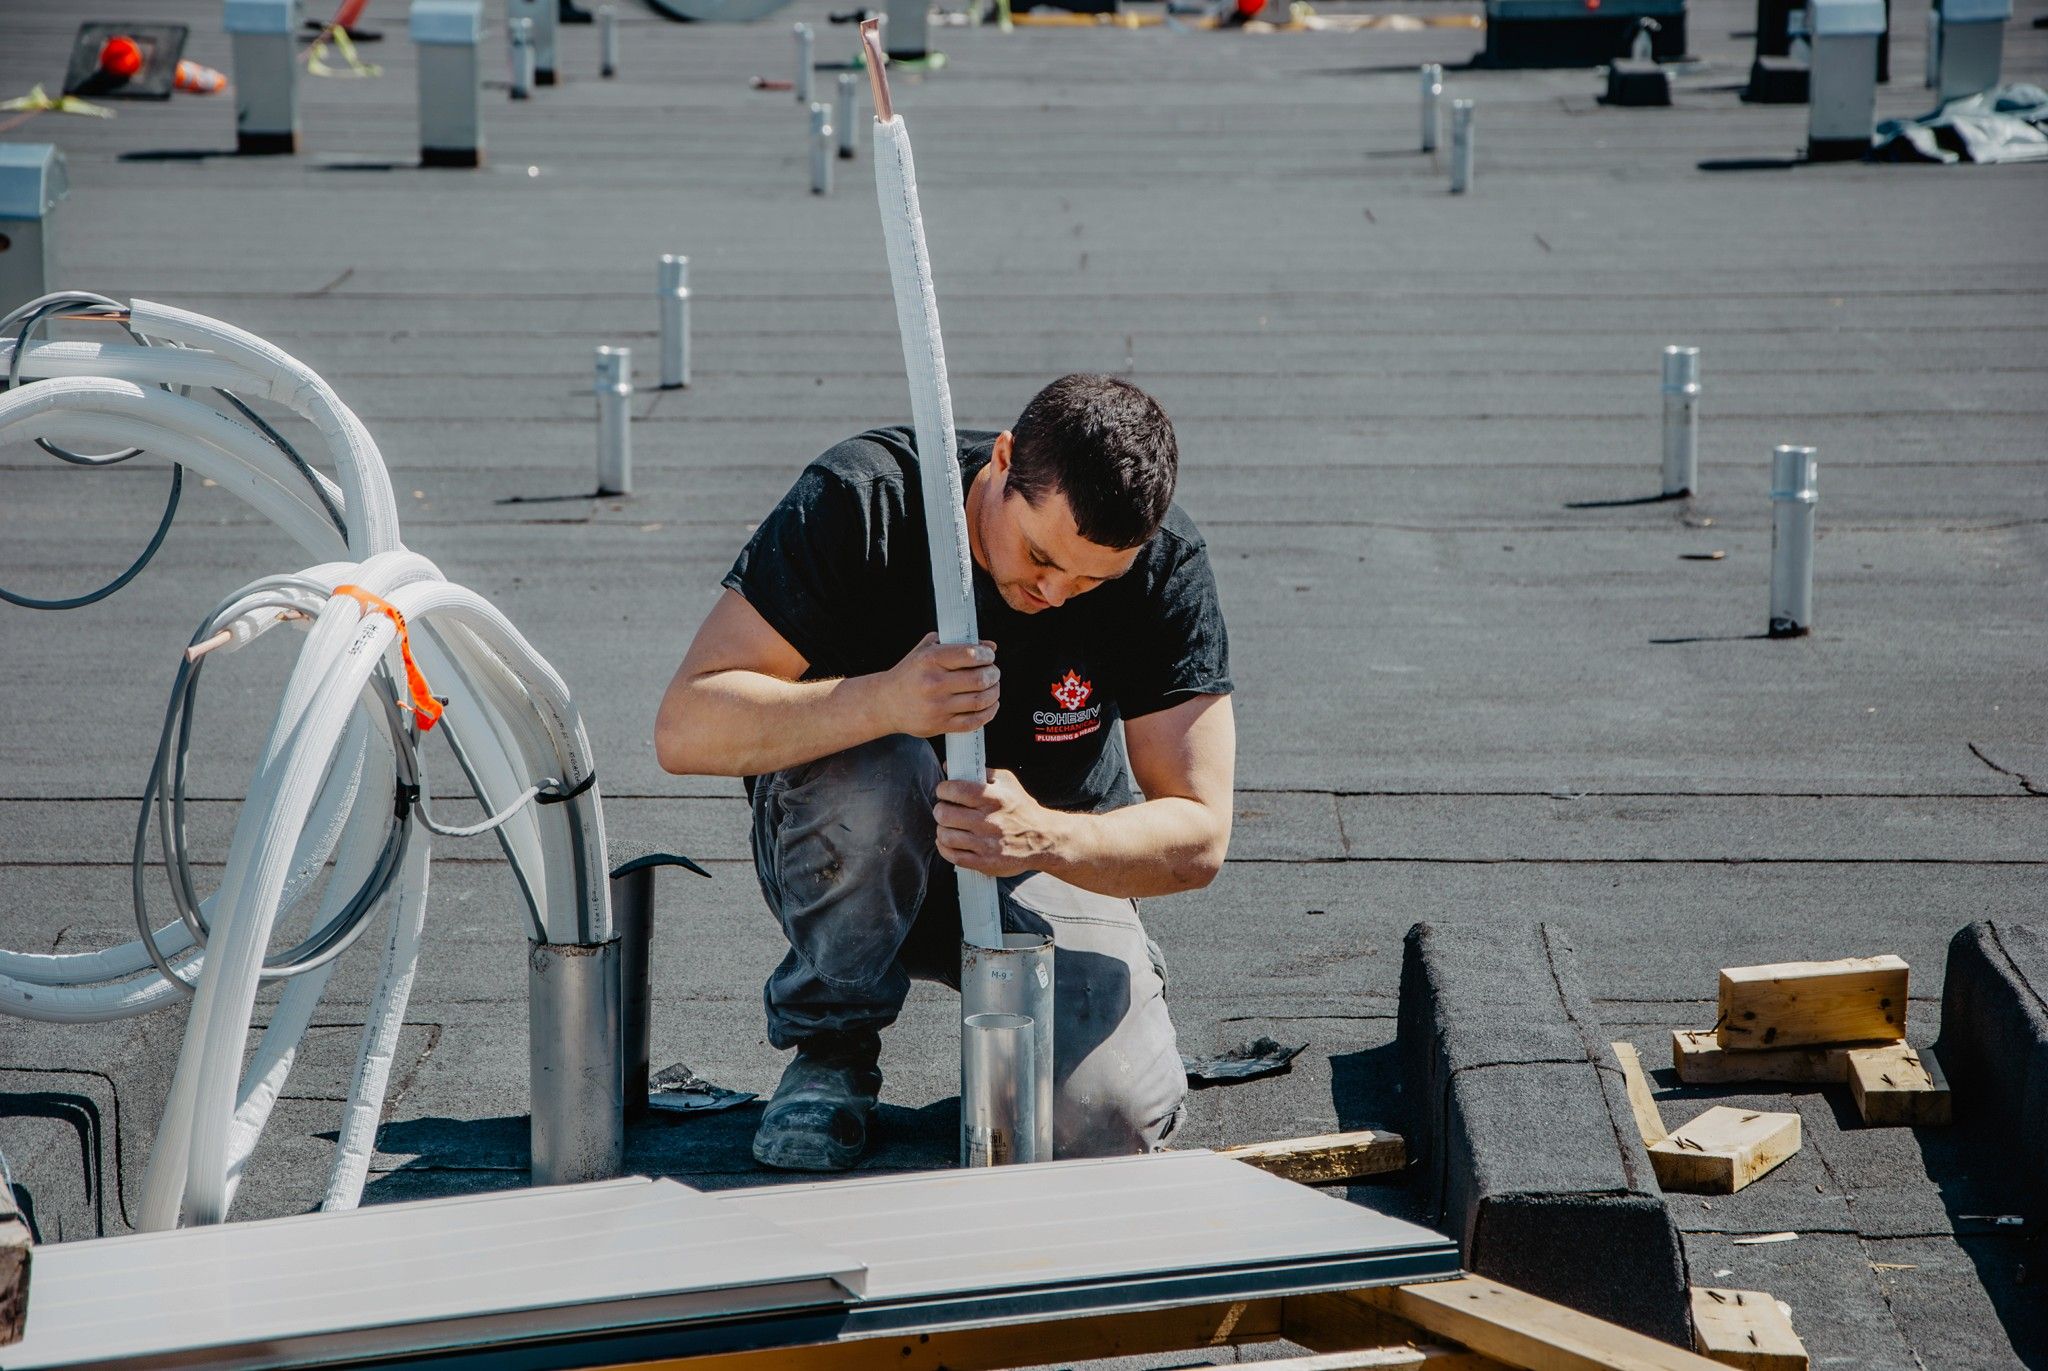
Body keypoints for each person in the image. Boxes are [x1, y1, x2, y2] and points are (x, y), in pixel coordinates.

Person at [654, 374, 1235, 1171]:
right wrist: (884, 700)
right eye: (1039, 556)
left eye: (1092, 580)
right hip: (851, 847)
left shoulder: (1166, 567)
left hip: (1036, 860)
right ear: (1003, 462)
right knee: (882, 764)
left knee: (1099, 1125)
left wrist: (1049, 833)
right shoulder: (865, 499)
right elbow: (686, 724)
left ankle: (1077, 1004)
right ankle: (832, 1046)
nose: (1055, 594)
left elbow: (1200, 831)